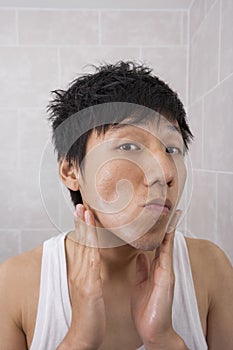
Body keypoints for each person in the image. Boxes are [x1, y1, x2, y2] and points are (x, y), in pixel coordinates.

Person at [0, 61, 232, 350]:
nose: (164, 173)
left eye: (172, 149)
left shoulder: (212, 268)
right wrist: (79, 341)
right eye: (128, 147)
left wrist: (164, 340)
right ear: (71, 171)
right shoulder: (15, 284)